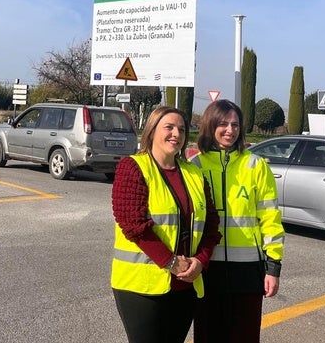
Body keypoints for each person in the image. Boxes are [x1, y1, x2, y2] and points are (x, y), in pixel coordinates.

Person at [111, 106, 222, 343]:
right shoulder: (132, 168)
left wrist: (201, 261)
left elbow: (211, 225)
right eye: (168, 127)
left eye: (181, 129)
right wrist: (171, 263)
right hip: (141, 287)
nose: (176, 134)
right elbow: (134, 225)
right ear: (151, 131)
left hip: (186, 284)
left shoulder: (193, 173)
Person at [190, 100, 285, 343]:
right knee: (208, 336)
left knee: (245, 337)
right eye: (223, 124)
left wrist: (273, 267)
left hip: (248, 271)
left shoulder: (255, 165)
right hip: (207, 268)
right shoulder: (195, 166)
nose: (230, 130)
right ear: (210, 126)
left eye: (235, 124)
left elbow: (270, 218)